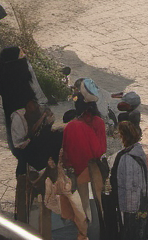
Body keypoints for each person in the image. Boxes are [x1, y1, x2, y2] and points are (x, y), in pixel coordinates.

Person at [61, 80, 107, 231]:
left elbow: (67, 152)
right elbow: (102, 148)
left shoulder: (72, 126)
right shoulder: (99, 122)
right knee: (97, 206)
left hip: (79, 173)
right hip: (96, 171)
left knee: (83, 206)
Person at [110, 118, 148, 240]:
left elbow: (130, 185)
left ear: (124, 136)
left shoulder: (126, 157)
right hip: (144, 201)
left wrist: (128, 208)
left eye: (119, 134)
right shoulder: (143, 150)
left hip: (132, 205)